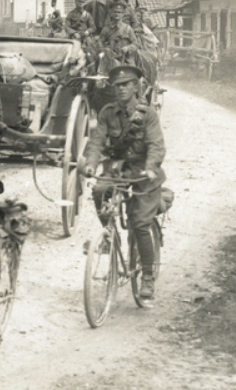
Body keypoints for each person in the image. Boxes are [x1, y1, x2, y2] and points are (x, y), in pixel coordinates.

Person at [82, 65, 166, 299]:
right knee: (99, 190)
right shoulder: (107, 112)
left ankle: (147, 276)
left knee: (140, 224)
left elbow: (156, 145)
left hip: (142, 172)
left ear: (136, 87)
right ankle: (110, 235)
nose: (120, 89)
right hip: (118, 169)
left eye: (125, 85)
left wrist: (151, 168)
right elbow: (97, 141)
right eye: (117, 86)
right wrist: (91, 164)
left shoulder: (147, 115)